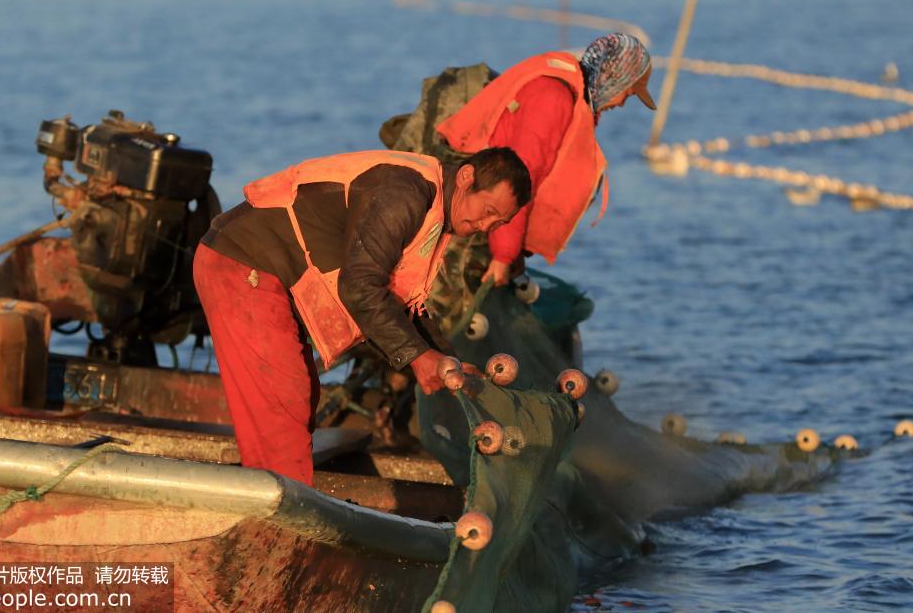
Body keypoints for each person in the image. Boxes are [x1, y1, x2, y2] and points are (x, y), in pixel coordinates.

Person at [193, 147, 531, 485]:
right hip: (241, 265)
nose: (484, 226)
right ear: (466, 177)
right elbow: (359, 287)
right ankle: (279, 523)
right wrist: (418, 358)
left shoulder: (436, 208)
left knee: (302, 395)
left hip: (269, 274)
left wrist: (445, 360)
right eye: (487, 211)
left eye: (498, 223)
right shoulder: (406, 193)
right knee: (284, 400)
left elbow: (397, 299)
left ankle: (279, 498)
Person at [435, 33, 657, 287]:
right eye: (627, 93)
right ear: (612, 79)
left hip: (489, 225)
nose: (620, 103)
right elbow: (513, 181)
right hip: (475, 223)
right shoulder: (553, 100)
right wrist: (503, 257)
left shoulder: (570, 97)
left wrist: (512, 254)